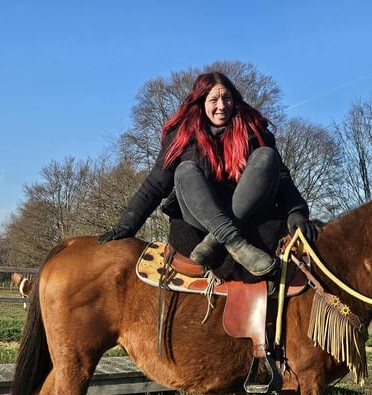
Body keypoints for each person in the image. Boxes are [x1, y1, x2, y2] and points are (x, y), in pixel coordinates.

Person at [98, 71, 317, 278]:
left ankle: (216, 240)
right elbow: (155, 185)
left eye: (226, 98)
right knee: (185, 170)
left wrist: (296, 212)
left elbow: (280, 176)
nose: (221, 106)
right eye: (213, 100)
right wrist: (126, 225)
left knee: (267, 156)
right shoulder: (181, 137)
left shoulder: (254, 131)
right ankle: (235, 243)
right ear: (201, 103)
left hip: (247, 214)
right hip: (200, 216)